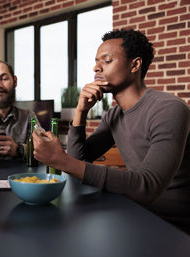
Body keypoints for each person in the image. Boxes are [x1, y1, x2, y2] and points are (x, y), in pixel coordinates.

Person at [33, 29, 190, 233]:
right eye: (97, 61)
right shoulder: (114, 114)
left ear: (135, 64)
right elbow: (78, 160)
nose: (96, 67)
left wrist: (60, 160)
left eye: (106, 61)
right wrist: (80, 112)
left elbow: (149, 186)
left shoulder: (168, 109)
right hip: (137, 214)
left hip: (176, 228)